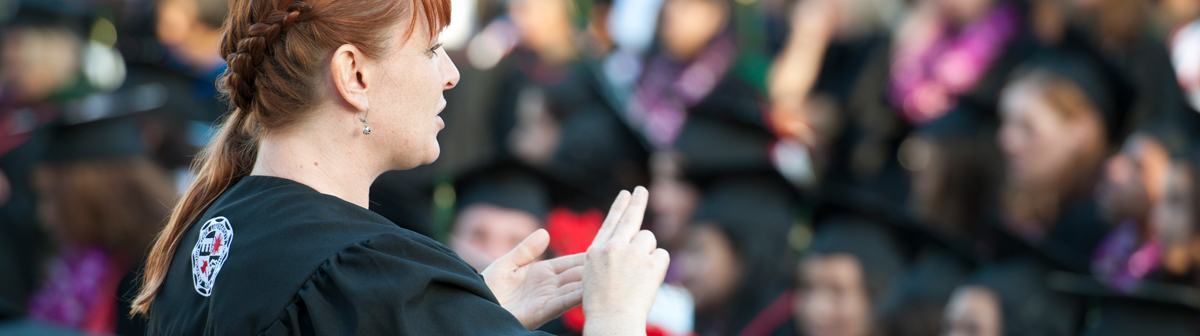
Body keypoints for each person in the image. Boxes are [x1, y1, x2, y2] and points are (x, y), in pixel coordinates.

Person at [132, 0, 670, 334]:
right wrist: (615, 316)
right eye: (431, 49)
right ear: (354, 76)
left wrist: (463, 319)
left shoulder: (210, 230)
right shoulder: (368, 273)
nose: (452, 74)